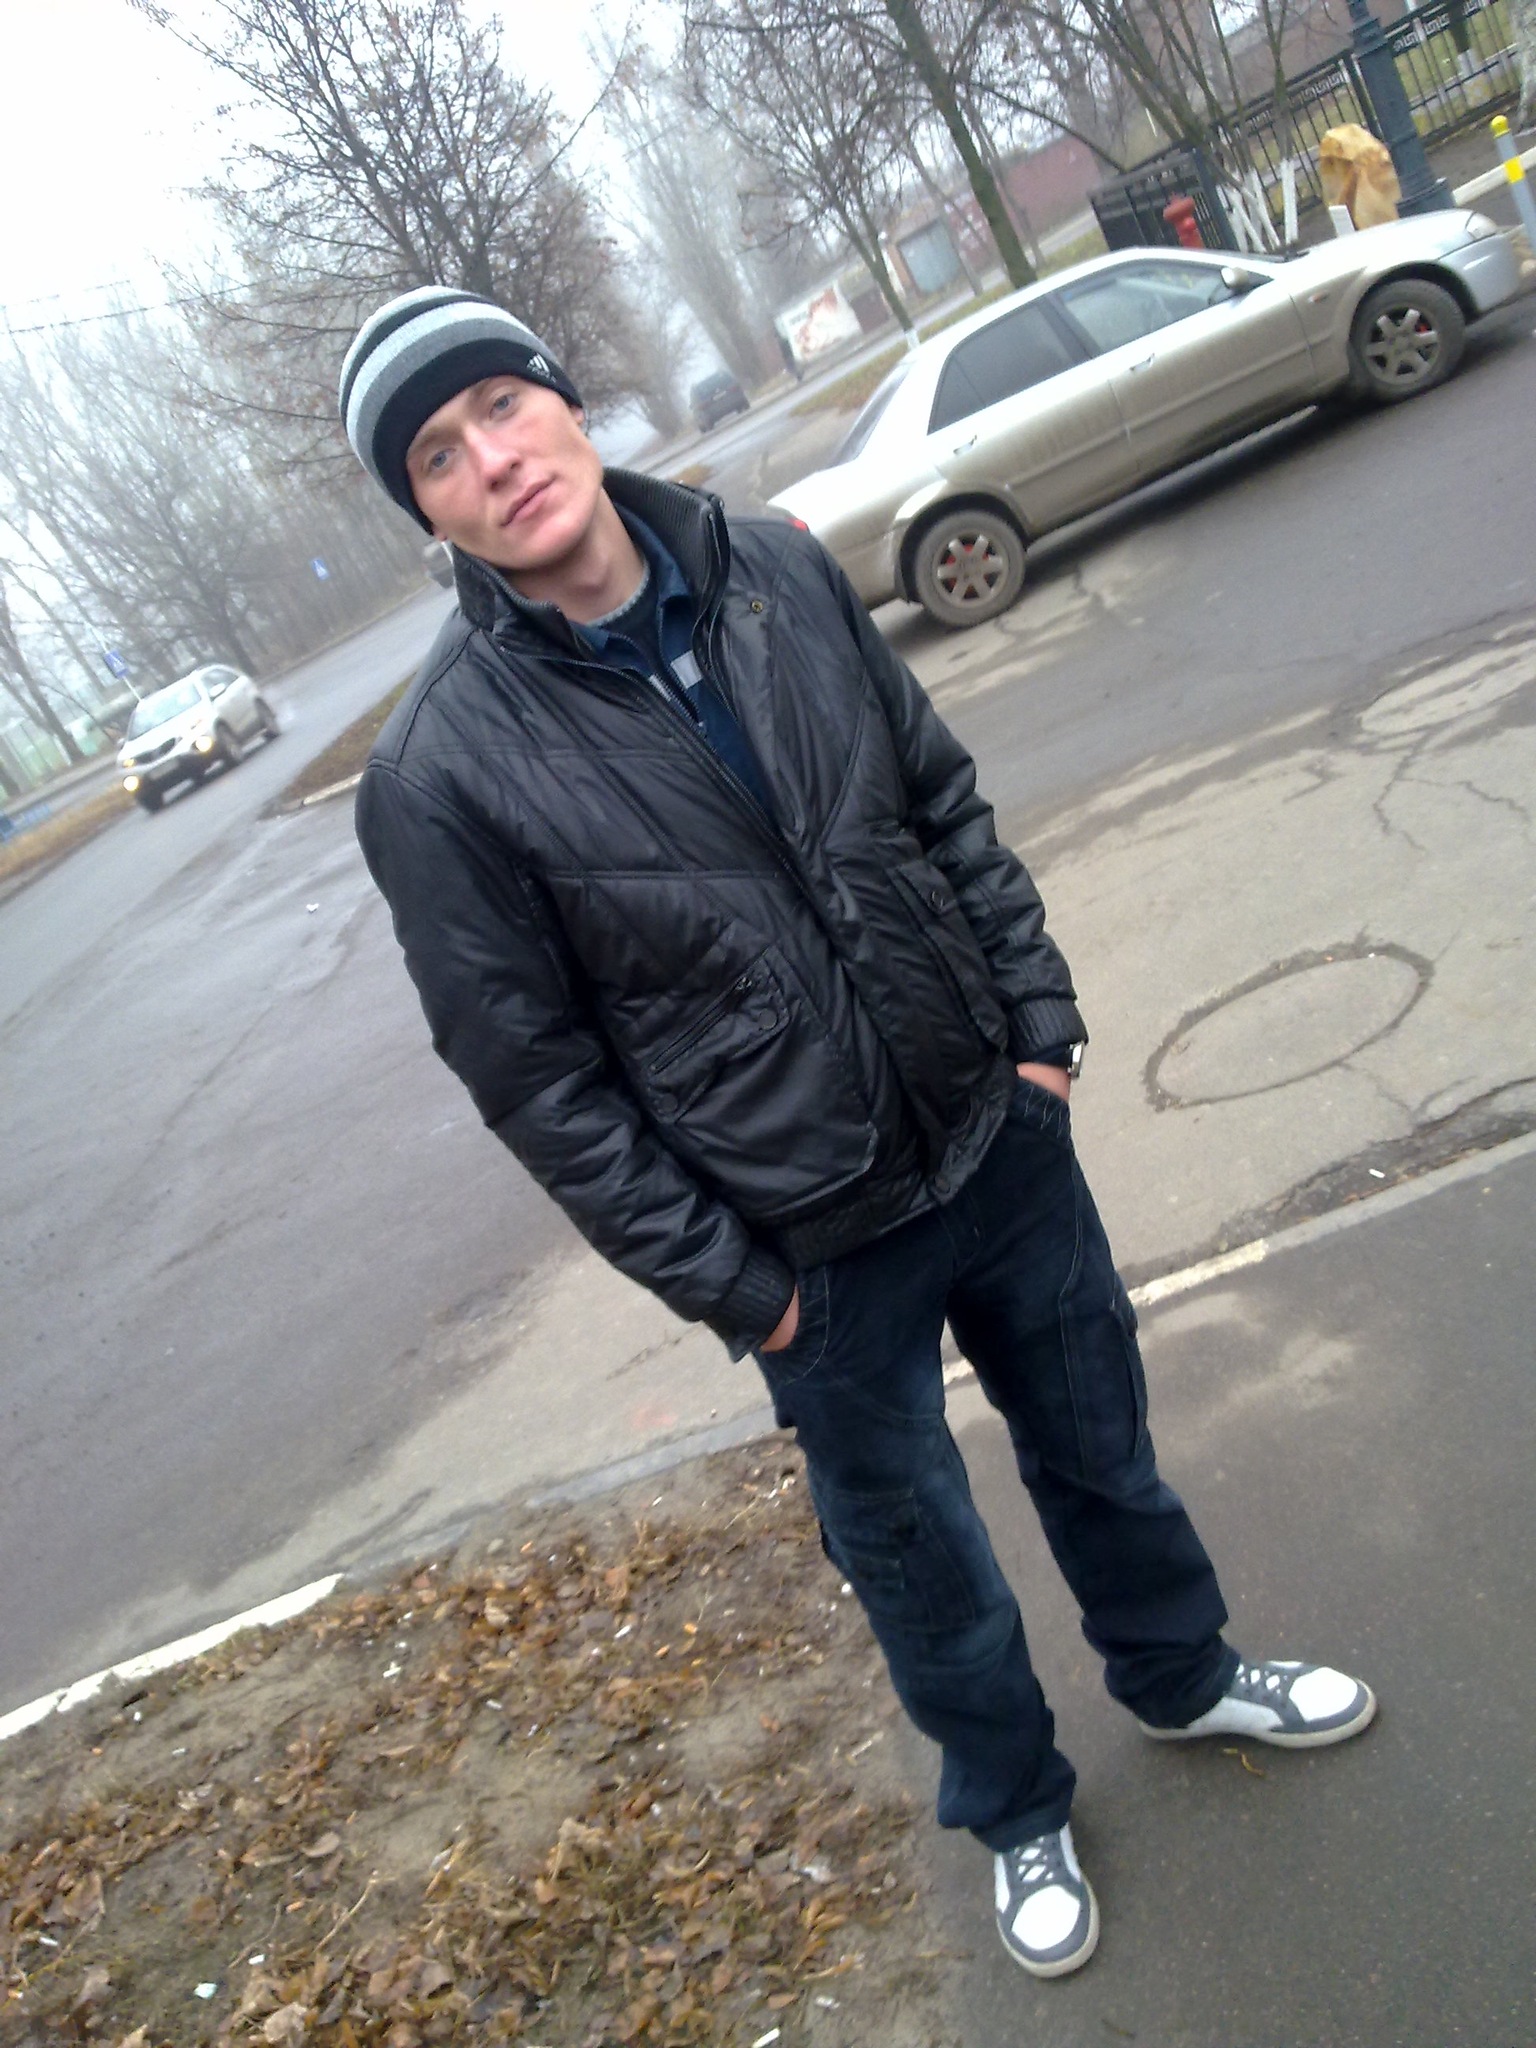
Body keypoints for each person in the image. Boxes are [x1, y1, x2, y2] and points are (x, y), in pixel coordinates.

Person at [341, 287, 1376, 1979]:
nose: (493, 461)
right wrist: (746, 1293)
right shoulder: (440, 773)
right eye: (438, 459)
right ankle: (1017, 1807)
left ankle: (1185, 1676)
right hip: (812, 1258)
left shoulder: (777, 570)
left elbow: (938, 802)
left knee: (1103, 1452)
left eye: (499, 408)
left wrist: (1037, 1036)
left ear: (565, 402)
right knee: (920, 1562)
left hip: (997, 1140)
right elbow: (542, 1091)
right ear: (432, 516)